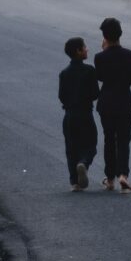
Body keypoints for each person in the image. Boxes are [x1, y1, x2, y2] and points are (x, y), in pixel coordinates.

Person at [92, 15, 131, 192]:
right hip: (125, 104)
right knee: (123, 140)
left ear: (104, 37)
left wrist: (104, 51)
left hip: (106, 103)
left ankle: (110, 178)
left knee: (108, 139)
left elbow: (99, 77)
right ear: (120, 34)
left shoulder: (99, 57)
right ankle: (123, 175)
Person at [57, 36, 100, 191]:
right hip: (85, 114)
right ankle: (84, 163)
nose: (87, 49)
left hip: (69, 115)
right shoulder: (89, 71)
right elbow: (95, 93)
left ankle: (75, 182)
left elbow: (61, 95)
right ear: (78, 51)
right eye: (84, 47)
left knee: (71, 148)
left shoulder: (64, 73)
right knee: (91, 145)